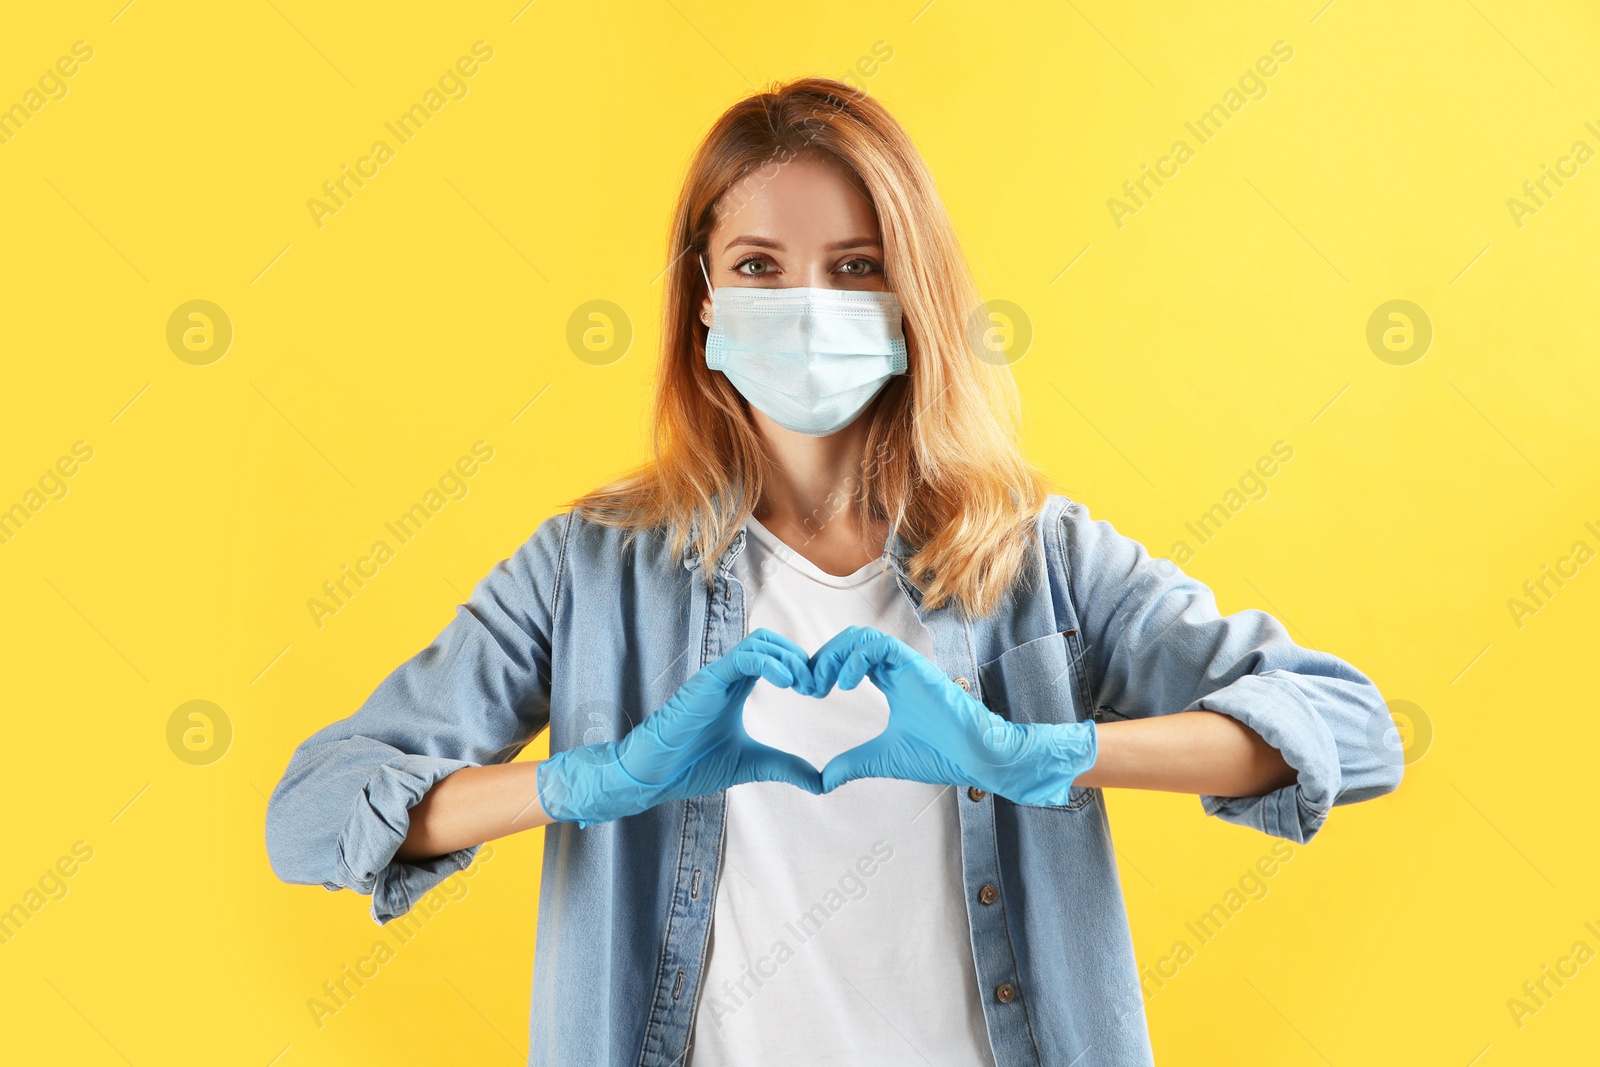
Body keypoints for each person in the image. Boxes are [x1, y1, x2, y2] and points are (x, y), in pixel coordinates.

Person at [265, 76, 1404, 1067]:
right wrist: (584, 782)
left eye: (854, 267)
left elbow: (1349, 729)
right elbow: (310, 815)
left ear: (912, 298)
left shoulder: (1031, 556)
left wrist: (1042, 752)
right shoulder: (588, 571)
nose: (805, 305)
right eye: (758, 266)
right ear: (703, 300)